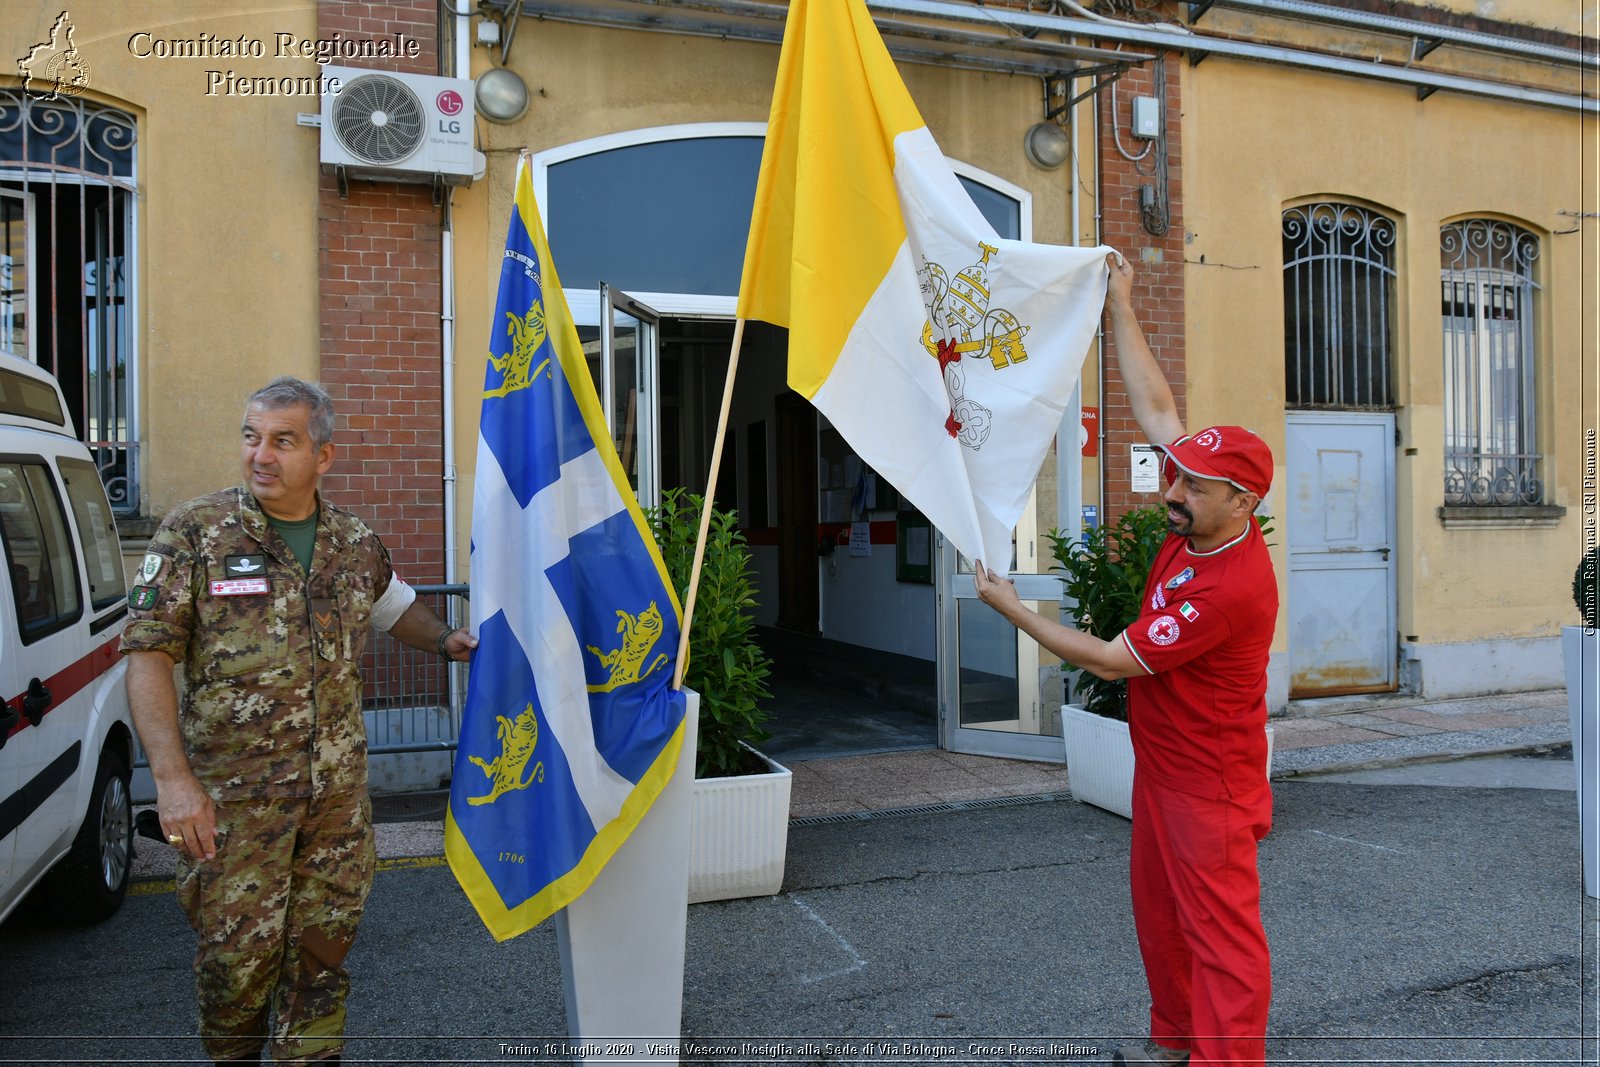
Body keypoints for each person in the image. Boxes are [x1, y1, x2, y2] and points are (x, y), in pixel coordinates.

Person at [974, 252, 1278, 1067]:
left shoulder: (1230, 586)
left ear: (1241, 503)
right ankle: (1175, 1038)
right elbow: (1158, 406)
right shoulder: (1203, 515)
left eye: (1194, 487)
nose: (1171, 492)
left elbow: (1111, 661)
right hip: (1165, 765)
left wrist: (1012, 607)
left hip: (1209, 783)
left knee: (1222, 935)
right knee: (1162, 913)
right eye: (1176, 476)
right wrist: (1122, 304)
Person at [122, 377, 477, 1065]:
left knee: (321, 961)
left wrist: (444, 640)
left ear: (323, 455)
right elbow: (147, 655)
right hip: (233, 811)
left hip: (335, 809)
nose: (261, 454)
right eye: (252, 436)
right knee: (235, 968)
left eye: (282, 440)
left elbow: (393, 605)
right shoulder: (196, 534)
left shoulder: (353, 542)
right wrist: (171, 780)